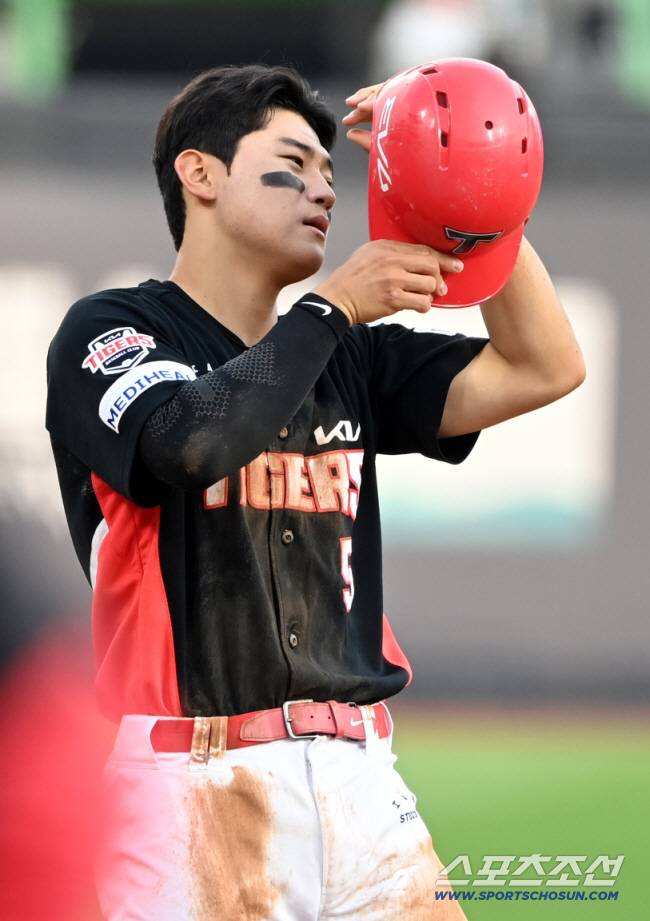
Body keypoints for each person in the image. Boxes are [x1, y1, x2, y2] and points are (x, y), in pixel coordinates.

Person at [46, 63, 585, 920]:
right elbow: (188, 442)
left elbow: (543, 365)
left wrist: (466, 191)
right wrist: (332, 306)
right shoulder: (113, 328)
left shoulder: (347, 354)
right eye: (292, 164)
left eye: (332, 172)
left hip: (361, 777)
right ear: (200, 174)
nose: (325, 190)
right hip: (190, 780)